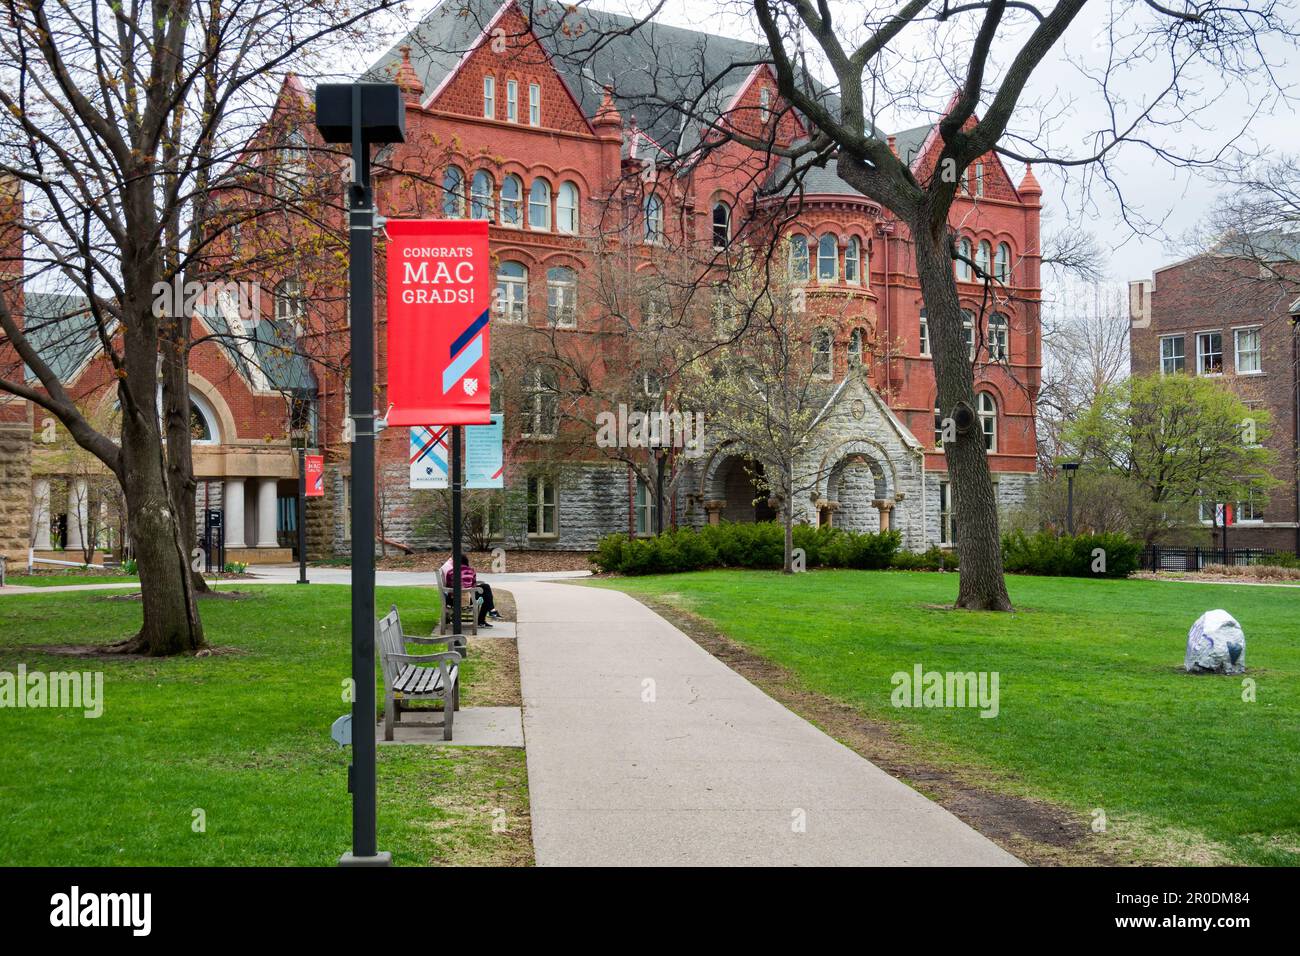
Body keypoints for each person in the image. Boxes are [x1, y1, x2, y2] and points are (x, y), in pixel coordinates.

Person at [440, 555, 501, 627]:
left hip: (453, 600)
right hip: (468, 599)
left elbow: (448, 586)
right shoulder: (471, 571)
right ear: (466, 561)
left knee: (485, 589)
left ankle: (489, 613)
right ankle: (487, 615)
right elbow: (473, 586)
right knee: (486, 591)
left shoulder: (450, 572)